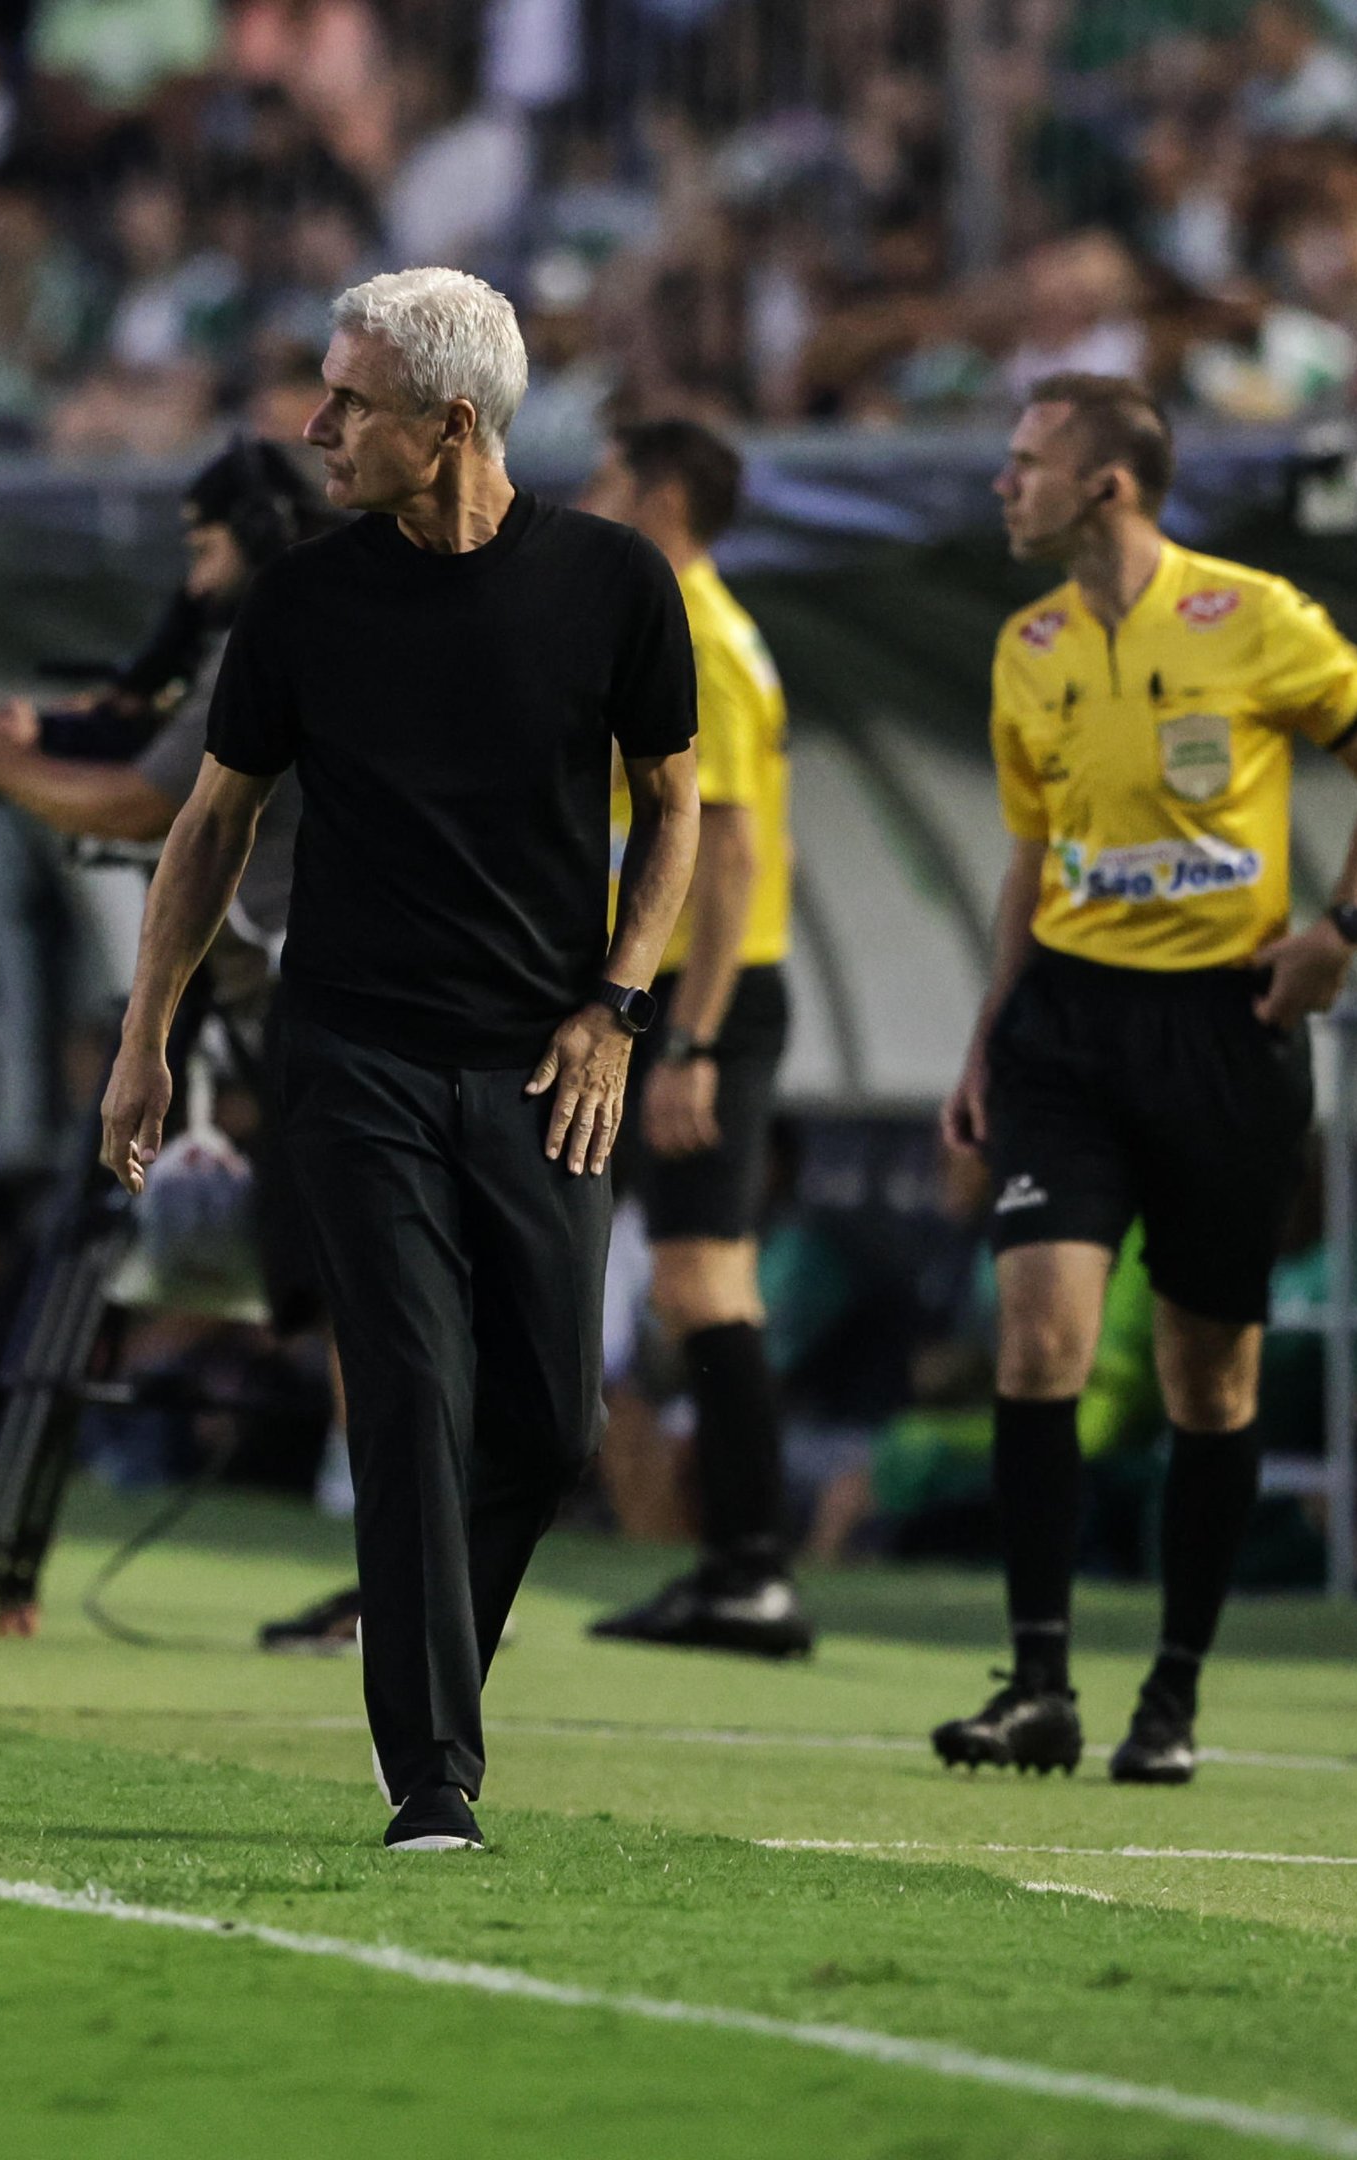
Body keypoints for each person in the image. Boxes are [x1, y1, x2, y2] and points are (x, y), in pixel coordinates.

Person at [100, 267, 703, 1852]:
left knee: (555, 1427)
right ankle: (429, 1767)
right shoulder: (302, 601)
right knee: (414, 1395)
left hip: (543, 1065)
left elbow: (674, 806)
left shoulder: (614, 586)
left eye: (345, 402)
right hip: (351, 1056)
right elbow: (212, 823)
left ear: (447, 424)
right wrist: (142, 1036)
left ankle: (420, 1650)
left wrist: (617, 1008)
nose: (314, 426)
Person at [935, 374, 1357, 1785]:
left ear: (1106, 486)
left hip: (1222, 1033)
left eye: (1024, 462)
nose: (1001, 484)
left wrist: (1337, 933)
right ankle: (1035, 1679)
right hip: (1067, 1033)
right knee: (1035, 1334)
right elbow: (1029, 860)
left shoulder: (1253, 617)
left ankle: (1171, 1693)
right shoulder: (1022, 645)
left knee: (1204, 1384)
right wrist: (985, 1034)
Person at [0, 438, 366, 1652]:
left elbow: (141, 802)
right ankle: (408, 1576)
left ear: (259, 536)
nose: (196, 567)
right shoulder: (321, 622)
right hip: (306, 1004)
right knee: (342, 1302)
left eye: (206, 541)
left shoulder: (271, 635)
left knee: (354, 1305)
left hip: (311, 1010)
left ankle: (406, 1581)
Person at [572, 419, 813, 1660]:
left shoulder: (701, 637)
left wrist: (698, 1039)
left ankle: (750, 1571)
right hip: (683, 992)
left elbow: (730, 849)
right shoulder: (690, 624)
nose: (588, 492)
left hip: (704, 994)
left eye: (609, 474)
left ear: (659, 494)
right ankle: (737, 1568)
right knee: (690, 1283)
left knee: (705, 1282)